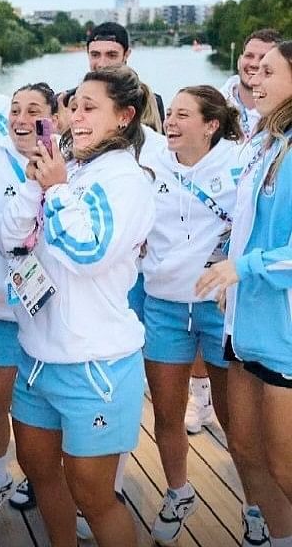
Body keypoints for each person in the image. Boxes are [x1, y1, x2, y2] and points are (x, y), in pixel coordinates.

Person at [0, 65, 155, 547]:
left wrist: (57, 189)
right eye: (75, 106)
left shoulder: (127, 180)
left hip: (96, 363)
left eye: (90, 107)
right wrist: (35, 185)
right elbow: (10, 239)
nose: (76, 116)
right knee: (41, 473)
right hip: (36, 357)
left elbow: (89, 254)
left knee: (93, 494)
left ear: (124, 117)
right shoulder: (69, 167)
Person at [139, 85, 244, 545]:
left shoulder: (240, 162)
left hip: (219, 307)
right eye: (170, 114)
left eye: (184, 115)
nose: (172, 122)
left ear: (211, 124)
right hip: (163, 304)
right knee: (166, 411)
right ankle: (178, 491)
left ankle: (255, 505)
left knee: (234, 416)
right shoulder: (150, 159)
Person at [198, 40, 292, 547]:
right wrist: (226, 278)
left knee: (285, 463)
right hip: (244, 325)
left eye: (270, 70)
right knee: (247, 448)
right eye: (255, 69)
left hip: (284, 334)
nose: (256, 76)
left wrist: (243, 268)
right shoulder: (266, 141)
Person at [0, 83, 62, 529]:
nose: (22, 119)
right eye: (15, 110)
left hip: (50, 310)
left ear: (53, 117)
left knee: (47, 405)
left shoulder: (68, 163)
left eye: (34, 111)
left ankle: (41, 476)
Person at [85, 22, 165, 126]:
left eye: (111, 55)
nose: (102, 64)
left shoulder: (149, 101)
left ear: (126, 55)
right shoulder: (70, 101)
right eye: (95, 55)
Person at [220, 29, 282, 140]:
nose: (254, 64)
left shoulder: (286, 114)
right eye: (249, 56)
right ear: (239, 61)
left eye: (264, 58)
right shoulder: (213, 106)